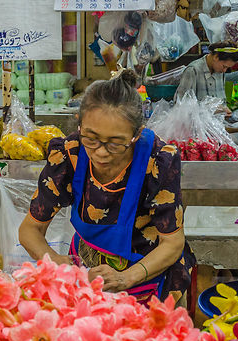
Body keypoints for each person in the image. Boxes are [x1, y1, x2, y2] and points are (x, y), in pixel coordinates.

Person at [19, 68, 194, 303]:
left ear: (136, 135)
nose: (100, 152)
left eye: (115, 143)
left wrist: (127, 277)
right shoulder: (68, 154)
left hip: (149, 273)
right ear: (79, 124)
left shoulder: (158, 161)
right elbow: (30, 229)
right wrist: (54, 261)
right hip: (86, 274)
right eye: (91, 138)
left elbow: (172, 243)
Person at [174, 44, 238, 115]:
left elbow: (228, 77)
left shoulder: (218, 70)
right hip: (197, 130)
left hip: (217, 127)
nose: (224, 70)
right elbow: (180, 104)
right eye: (224, 66)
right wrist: (211, 108)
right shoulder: (193, 71)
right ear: (216, 57)